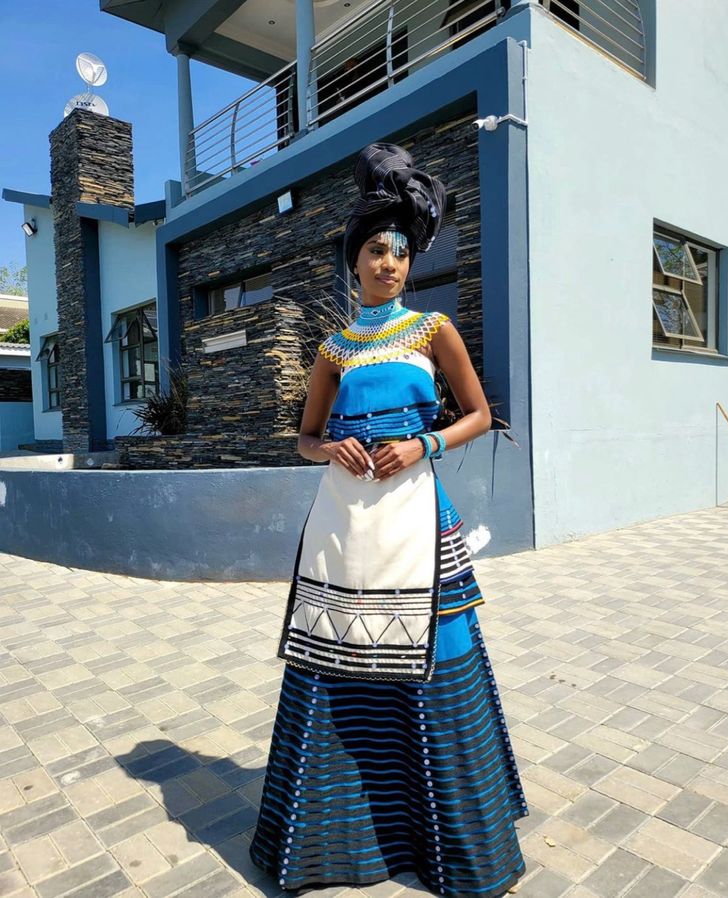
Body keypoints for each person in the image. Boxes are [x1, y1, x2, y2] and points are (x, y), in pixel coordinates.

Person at [249, 143, 527, 897]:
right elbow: (303, 438)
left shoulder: (434, 329)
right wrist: (328, 448)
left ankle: (456, 842)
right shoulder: (333, 348)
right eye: (377, 251)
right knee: (337, 650)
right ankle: (343, 835)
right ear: (355, 260)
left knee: (440, 645)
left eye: (400, 253)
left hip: (417, 514)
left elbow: (479, 414)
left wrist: (423, 443)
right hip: (346, 521)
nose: (390, 265)